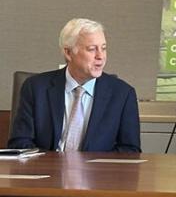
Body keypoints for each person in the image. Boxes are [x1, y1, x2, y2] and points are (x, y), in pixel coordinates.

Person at [8, 18, 141, 152]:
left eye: (103, 48)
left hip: (97, 172)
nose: (100, 56)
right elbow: (20, 143)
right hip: (47, 170)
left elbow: (130, 150)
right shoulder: (35, 88)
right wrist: (51, 165)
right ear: (68, 52)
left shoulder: (123, 94)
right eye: (92, 49)